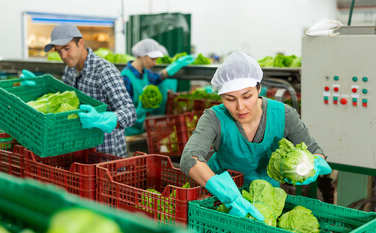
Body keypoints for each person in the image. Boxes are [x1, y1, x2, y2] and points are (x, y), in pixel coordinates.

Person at [179, 51, 332, 220]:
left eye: (247, 96)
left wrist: (312, 165)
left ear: (259, 88)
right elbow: (189, 157)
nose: (240, 107)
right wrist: (226, 194)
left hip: (266, 199)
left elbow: (315, 150)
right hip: (219, 199)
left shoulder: (284, 115)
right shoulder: (214, 118)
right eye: (230, 99)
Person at [41, 23, 136, 157]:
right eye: (59, 51)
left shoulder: (104, 71)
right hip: (80, 151)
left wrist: (102, 119)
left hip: (107, 157)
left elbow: (130, 113)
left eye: (67, 48)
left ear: (81, 42)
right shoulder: (70, 70)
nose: (63, 55)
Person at [122, 38, 195, 135]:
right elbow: (122, 113)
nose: (155, 63)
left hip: (138, 128)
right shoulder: (125, 77)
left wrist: (176, 65)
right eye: (152, 59)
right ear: (142, 55)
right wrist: (141, 109)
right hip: (126, 132)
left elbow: (158, 77)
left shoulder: (146, 73)